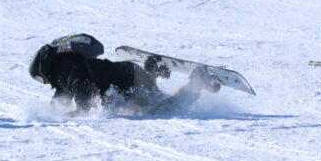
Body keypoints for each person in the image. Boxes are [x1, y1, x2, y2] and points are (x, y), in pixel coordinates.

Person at [28, 35, 216, 114]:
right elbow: (62, 95)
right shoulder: (64, 73)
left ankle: (198, 80)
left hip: (130, 80)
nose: (44, 83)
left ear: (43, 68)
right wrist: (50, 113)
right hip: (128, 77)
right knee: (142, 103)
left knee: (162, 110)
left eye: (40, 79)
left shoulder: (67, 67)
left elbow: (82, 85)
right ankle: (153, 68)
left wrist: (82, 110)